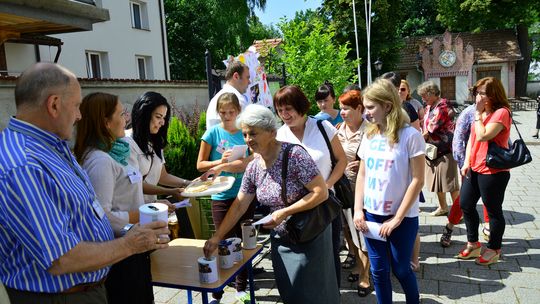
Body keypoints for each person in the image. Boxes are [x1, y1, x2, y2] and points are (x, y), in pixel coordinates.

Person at [0, 62, 168, 304]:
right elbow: (62, 258)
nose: (80, 116)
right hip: (60, 297)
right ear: (54, 104)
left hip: (83, 290)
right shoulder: (24, 164)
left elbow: (93, 211)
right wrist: (131, 244)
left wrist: (132, 230)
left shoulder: (52, 146)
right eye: (77, 105)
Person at [203, 104, 340, 304]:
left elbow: (321, 193)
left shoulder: (295, 156)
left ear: (271, 132)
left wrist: (285, 212)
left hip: (311, 234)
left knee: (315, 294)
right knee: (290, 293)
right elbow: (240, 204)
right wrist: (217, 237)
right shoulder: (253, 166)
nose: (248, 139)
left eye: (253, 133)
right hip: (282, 237)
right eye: (245, 134)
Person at [74, 92, 172, 303]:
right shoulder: (100, 160)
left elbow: (128, 195)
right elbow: (102, 216)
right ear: (106, 122)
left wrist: (153, 205)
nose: (126, 119)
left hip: (134, 247)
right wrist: (142, 215)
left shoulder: (117, 151)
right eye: (121, 113)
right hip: (121, 252)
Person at [353, 78, 424, 304]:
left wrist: (396, 219)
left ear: (388, 106)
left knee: (401, 269)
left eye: (371, 107)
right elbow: (362, 175)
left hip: (402, 218)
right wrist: (358, 211)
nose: (366, 113)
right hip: (371, 216)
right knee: (378, 272)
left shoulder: (410, 136)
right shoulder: (369, 135)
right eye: (365, 107)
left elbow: (418, 180)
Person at [274, 85, 347, 287]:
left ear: (300, 106)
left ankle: (332, 294)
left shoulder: (323, 128)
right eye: (280, 111)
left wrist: (328, 185)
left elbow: (341, 160)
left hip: (325, 206)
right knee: (302, 259)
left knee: (329, 256)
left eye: (288, 108)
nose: (284, 115)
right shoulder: (279, 136)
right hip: (295, 209)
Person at [197, 92, 254, 303]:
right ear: (217, 112)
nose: (227, 116)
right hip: (220, 194)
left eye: (231, 112)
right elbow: (200, 164)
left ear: (238, 112)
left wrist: (241, 161)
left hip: (245, 192)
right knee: (223, 241)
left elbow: (253, 159)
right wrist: (218, 162)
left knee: (243, 242)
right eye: (223, 112)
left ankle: (241, 288)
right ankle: (217, 290)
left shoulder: (245, 133)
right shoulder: (212, 133)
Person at [457, 77, 512, 265]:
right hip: (475, 167)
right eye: (477, 92)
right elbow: (472, 139)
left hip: (494, 171)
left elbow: (483, 135)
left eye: (482, 93)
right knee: (466, 204)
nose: (477, 97)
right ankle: (473, 243)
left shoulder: (501, 113)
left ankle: (494, 248)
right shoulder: (479, 113)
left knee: (494, 210)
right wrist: (466, 162)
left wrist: (479, 114)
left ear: (493, 94)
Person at [336, 89, 372, 296]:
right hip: (342, 189)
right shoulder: (338, 129)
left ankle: (366, 276)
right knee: (348, 231)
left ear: (359, 109)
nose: (342, 112)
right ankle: (359, 266)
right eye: (341, 108)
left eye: (346, 108)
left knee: (362, 231)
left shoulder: (370, 130)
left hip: (363, 191)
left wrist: (363, 166)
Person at [439, 103, 490, 247]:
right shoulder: (469, 113)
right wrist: (463, 163)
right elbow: (458, 139)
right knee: (464, 200)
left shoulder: (498, 111)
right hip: (471, 164)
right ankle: (449, 227)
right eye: (480, 93)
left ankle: (488, 227)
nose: (483, 97)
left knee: (489, 199)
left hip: (492, 166)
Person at [126, 91, 191, 203]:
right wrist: (169, 192)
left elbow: (162, 176)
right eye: (158, 117)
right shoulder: (127, 143)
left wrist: (188, 183)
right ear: (144, 115)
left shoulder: (155, 141)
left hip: (149, 209)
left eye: (164, 118)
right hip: (130, 211)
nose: (162, 122)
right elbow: (135, 184)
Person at [417, 81, 460, 216]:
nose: (423, 99)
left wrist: (415, 141)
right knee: (437, 182)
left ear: (433, 94)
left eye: (425, 96)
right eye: (422, 96)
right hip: (432, 150)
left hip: (445, 149)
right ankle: (443, 207)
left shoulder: (442, 106)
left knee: (450, 183)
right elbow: (424, 124)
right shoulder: (430, 106)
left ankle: (459, 212)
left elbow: (431, 129)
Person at [206, 61, 251, 129]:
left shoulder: (216, 98)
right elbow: (249, 129)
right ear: (236, 76)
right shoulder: (238, 100)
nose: (249, 82)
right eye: (247, 77)